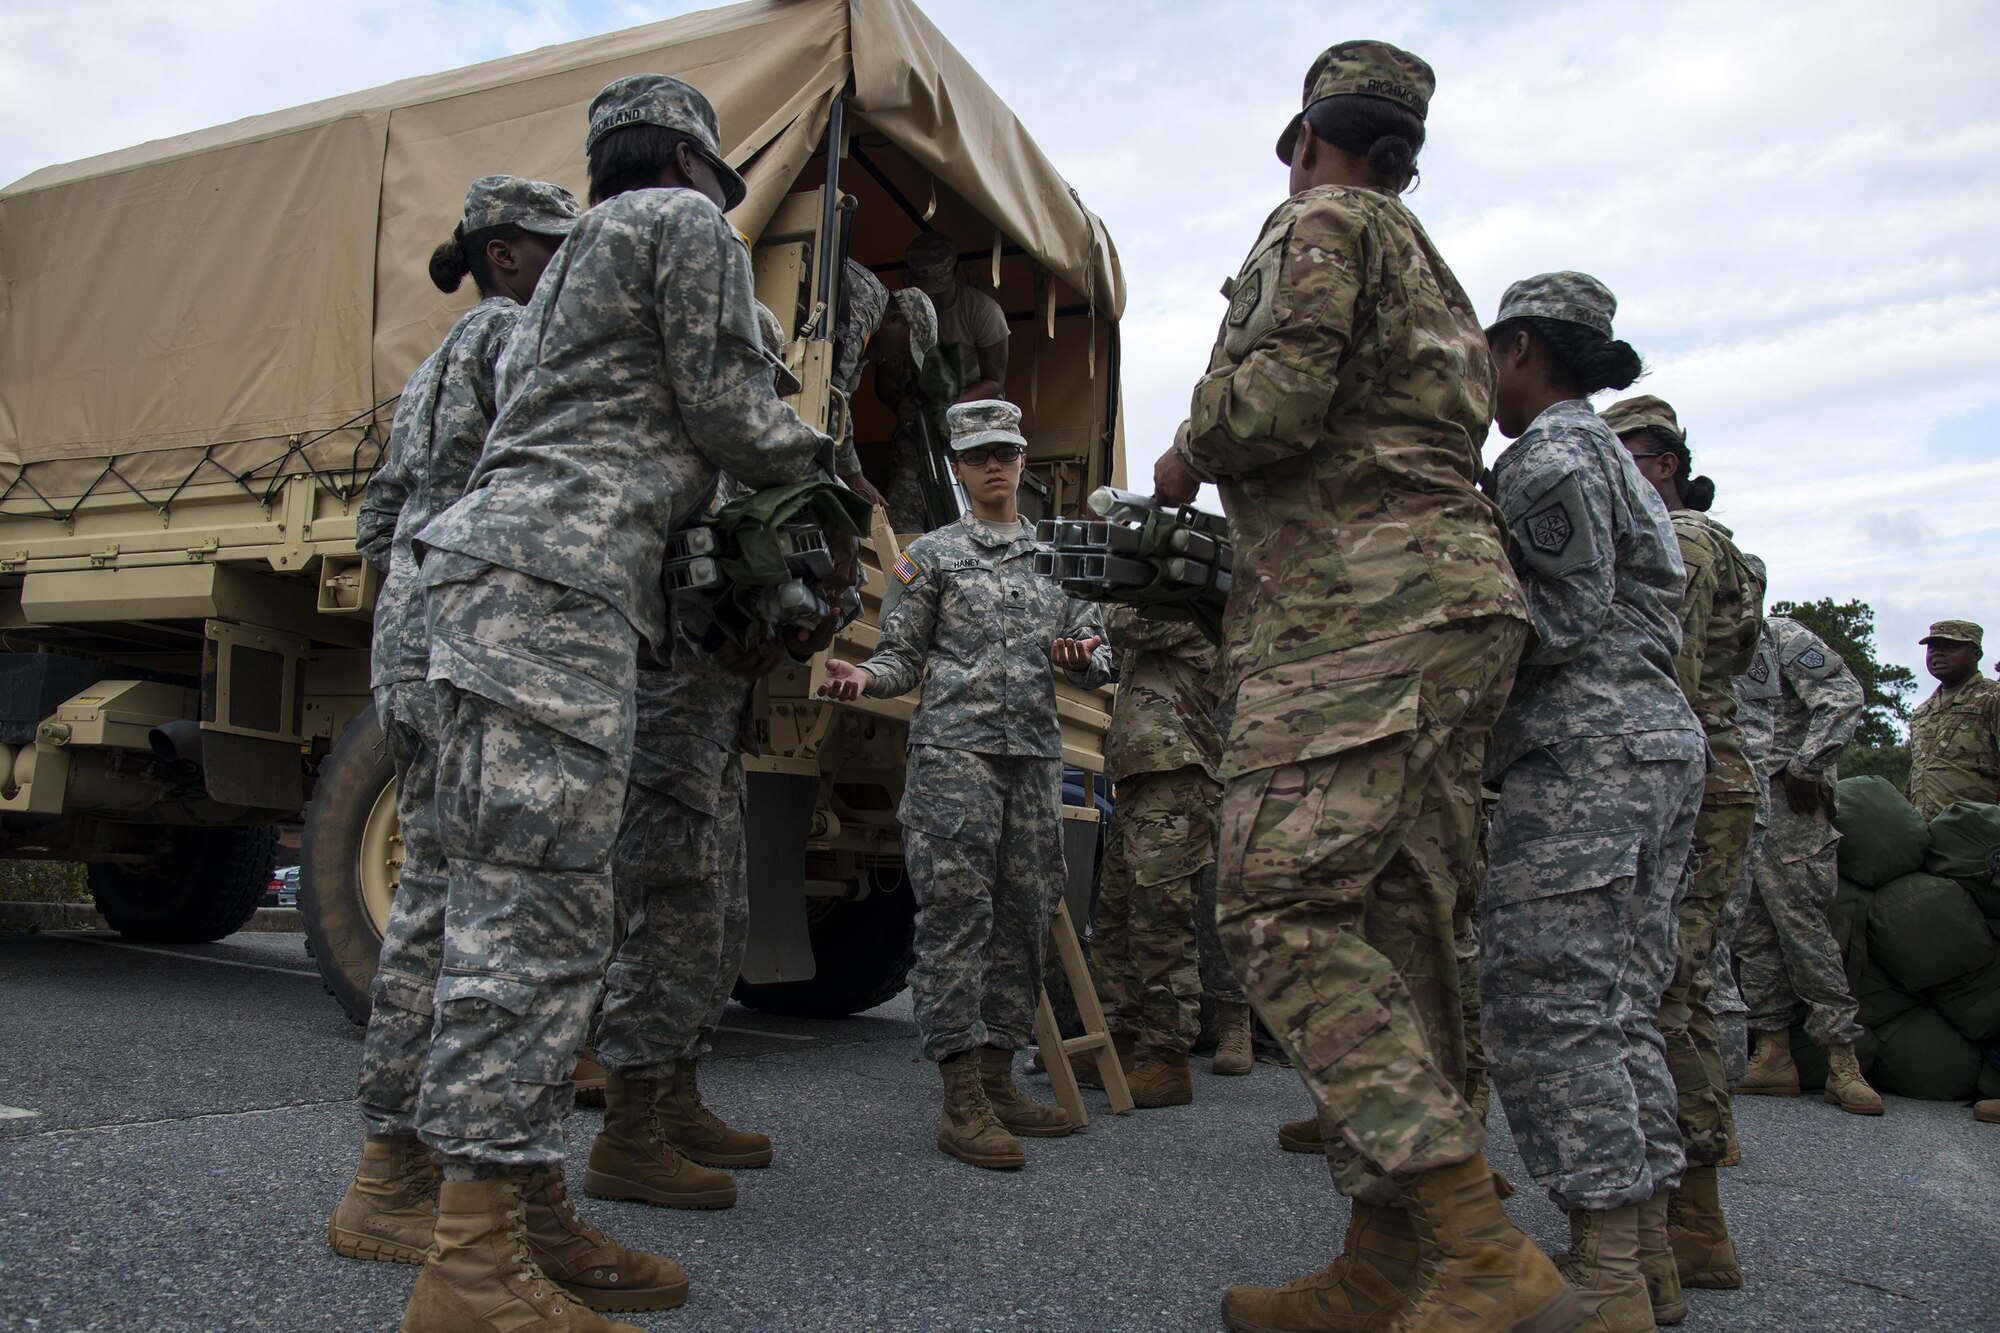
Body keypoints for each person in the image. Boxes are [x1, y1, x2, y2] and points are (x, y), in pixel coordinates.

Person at [401, 74, 836, 1332]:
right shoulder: (680, 224)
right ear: (697, 163)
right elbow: (728, 412)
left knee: (535, 909)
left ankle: (522, 1214)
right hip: (550, 590)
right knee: (530, 923)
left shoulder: (574, 265)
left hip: (521, 586)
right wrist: (833, 479)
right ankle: (470, 1268)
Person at [1154, 43, 1554, 1333]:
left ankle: (1472, 1239)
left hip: (1354, 609)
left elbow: (1271, 408)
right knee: (1399, 926)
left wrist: (1181, 448)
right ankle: (1393, 1262)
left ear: (1303, 138)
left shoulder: (1317, 220)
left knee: (1275, 903)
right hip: (1456, 605)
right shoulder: (1431, 263)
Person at [330, 174, 580, 1274]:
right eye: (555, 250)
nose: (568, 270)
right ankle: (427, 1177)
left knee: (430, 896)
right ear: (511, 255)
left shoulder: (434, 364)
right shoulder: (505, 340)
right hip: (472, 636)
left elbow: (381, 518)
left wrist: (406, 626)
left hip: (417, 635)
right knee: (468, 905)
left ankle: (394, 1171)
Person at [581, 301, 854, 1215]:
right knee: (672, 916)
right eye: (753, 388)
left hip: (719, 728)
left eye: (771, 392)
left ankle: (677, 1098)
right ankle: (625, 1131)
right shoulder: (670, 465)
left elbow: (816, 587)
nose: (761, 408)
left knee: (721, 917)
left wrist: (810, 618)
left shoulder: (761, 482)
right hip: (664, 720)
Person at [1483, 274, 1704, 1333]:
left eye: (1490, 354)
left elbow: (1555, 618)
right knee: (1618, 1005)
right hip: (1649, 746)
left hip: (1586, 753)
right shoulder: (1610, 455)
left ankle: (1607, 1274)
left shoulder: (1550, 455)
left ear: (1520, 347)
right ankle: (1647, 1254)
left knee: (1546, 1006)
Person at [818, 399, 1112, 1170]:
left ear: (1022, 462)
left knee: (1023, 916)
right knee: (957, 917)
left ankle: (999, 1075)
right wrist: (864, 676)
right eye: (979, 455)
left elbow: (1100, 643)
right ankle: (960, 1096)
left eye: (1006, 453)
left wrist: (1087, 653)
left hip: (1033, 760)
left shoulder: (1054, 555)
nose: (994, 467)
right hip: (956, 759)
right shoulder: (934, 557)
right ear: (957, 467)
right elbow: (901, 658)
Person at [1604, 393, 1760, 1302]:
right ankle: (1682, 1220)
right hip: (1704, 781)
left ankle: (1682, 1220)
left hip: (1684, 785)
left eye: (1620, 458)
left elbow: (1670, 675)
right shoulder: (1706, 541)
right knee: (1675, 989)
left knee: (1661, 990)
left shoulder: (1686, 542)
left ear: (1658, 463)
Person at [1728, 604, 1883, 1114]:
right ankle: (1773, 1055)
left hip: (1788, 799)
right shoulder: (1704, 640)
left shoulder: (1782, 637)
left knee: (1804, 929)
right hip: (1735, 800)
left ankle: (1842, 1060)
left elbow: (1842, 696)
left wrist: (1808, 764)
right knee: (1751, 933)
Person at [1088, 598, 1236, 1106]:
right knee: (1112, 919)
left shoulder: (1190, 606)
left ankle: (1168, 1059)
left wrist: (1098, 593)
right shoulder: (1156, 614)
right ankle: (1119, 1044)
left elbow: (1120, 621)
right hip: (1138, 779)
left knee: (1160, 923)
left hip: (1178, 780)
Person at [831, 257, 938, 511]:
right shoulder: (867, 304)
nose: (895, 360)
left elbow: (843, 398)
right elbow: (831, 392)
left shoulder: (868, 342)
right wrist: (853, 476)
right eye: (903, 349)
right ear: (895, 320)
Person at [1908, 620, 2000, 818]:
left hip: (1980, 833)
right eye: (1932, 648)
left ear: (1976, 655)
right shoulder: (1922, 712)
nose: (1938, 654)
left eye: (1950, 647)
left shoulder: (1992, 698)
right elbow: (1917, 777)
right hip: (1927, 832)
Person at [905, 231, 1009, 402]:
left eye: (941, 291)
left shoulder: (983, 311)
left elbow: (994, 382)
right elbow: (887, 378)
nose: (934, 298)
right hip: (925, 401)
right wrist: (901, 402)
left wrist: (951, 406)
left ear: (956, 270)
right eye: (927, 291)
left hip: (977, 403)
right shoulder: (903, 311)